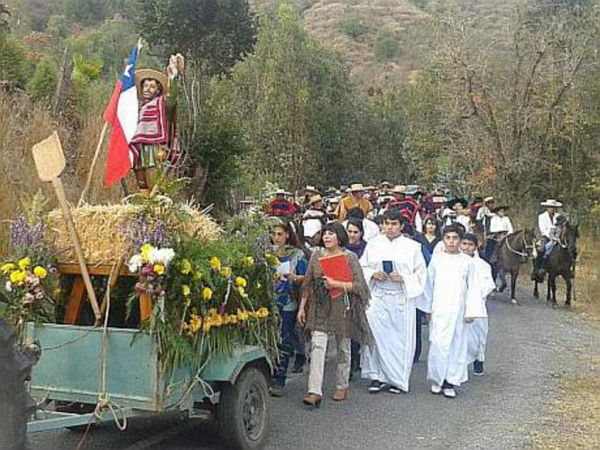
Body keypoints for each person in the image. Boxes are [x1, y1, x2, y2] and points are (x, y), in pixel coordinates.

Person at [297, 223, 373, 408]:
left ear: (339, 237)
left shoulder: (350, 257)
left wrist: (336, 284)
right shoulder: (316, 255)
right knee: (317, 346)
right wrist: (302, 308)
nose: (326, 237)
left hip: (342, 306)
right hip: (320, 307)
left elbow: (360, 287)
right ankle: (314, 391)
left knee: (343, 348)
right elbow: (307, 283)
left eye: (331, 234)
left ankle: (342, 384)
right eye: (324, 234)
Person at [360, 209, 427, 394]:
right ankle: (376, 376)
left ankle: (397, 379)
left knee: (398, 340)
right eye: (387, 224)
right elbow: (361, 266)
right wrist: (373, 274)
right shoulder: (373, 244)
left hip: (400, 298)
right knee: (375, 336)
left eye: (394, 224)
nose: (390, 228)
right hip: (379, 296)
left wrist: (404, 278)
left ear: (401, 226)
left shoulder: (412, 247)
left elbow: (421, 274)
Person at [421, 224, 486, 398]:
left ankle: (450, 381)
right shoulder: (437, 259)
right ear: (443, 240)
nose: (451, 241)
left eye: (455, 238)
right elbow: (429, 285)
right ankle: (437, 379)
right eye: (448, 238)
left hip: (459, 311)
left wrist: (471, 310)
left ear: (459, 240)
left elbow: (473, 288)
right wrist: (428, 310)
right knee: (438, 344)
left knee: (456, 346)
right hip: (440, 309)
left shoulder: (467, 262)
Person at [268, 218, 308, 396]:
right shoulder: (265, 253)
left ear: (287, 235)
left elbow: (307, 278)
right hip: (268, 302)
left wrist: (295, 278)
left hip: (288, 302)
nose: (276, 238)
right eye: (274, 234)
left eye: (280, 234)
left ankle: (280, 378)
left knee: (284, 339)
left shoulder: (297, 254)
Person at [130, 61, 183, 193]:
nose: (147, 89)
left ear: (158, 90)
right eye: (145, 85)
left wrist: (173, 78)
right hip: (139, 148)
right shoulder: (136, 107)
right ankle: (144, 207)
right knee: (142, 183)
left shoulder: (161, 104)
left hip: (154, 148)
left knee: (154, 181)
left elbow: (172, 98)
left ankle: (156, 208)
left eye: (152, 86)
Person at [461, 234, 495, 376]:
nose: (466, 247)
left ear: (475, 247)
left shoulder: (482, 265)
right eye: (464, 244)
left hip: (476, 306)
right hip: (456, 304)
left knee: (477, 336)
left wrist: (473, 297)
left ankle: (478, 359)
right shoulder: (452, 262)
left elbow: (488, 285)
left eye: (470, 244)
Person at [345, 218, 368, 377]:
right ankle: (350, 363)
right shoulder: (342, 248)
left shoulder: (367, 249)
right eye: (349, 231)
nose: (352, 235)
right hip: (344, 290)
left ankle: (358, 358)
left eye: (355, 232)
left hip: (361, 291)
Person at [533, 199, 565, 280]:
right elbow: (543, 229)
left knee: (568, 248)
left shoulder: (559, 216)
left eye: (554, 207)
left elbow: (561, 227)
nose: (552, 209)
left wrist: (558, 236)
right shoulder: (541, 216)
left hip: (558, 236)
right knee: (541, 249)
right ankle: (538, 269)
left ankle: (567, 268)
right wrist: (552, 237)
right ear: (547, 208)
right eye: (551, 207)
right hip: (546, 236)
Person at [486, 205, 513, 281]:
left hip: (506, 235)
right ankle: (494, 258)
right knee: (495, 246)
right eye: (501, 211)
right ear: (497, 212)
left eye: (503, 211)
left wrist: (507, 234)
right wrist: (499, 234)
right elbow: (493, 229)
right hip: (497, 235)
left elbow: (510, 228)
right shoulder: (494, 219)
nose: (502, 213)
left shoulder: (506, 219)